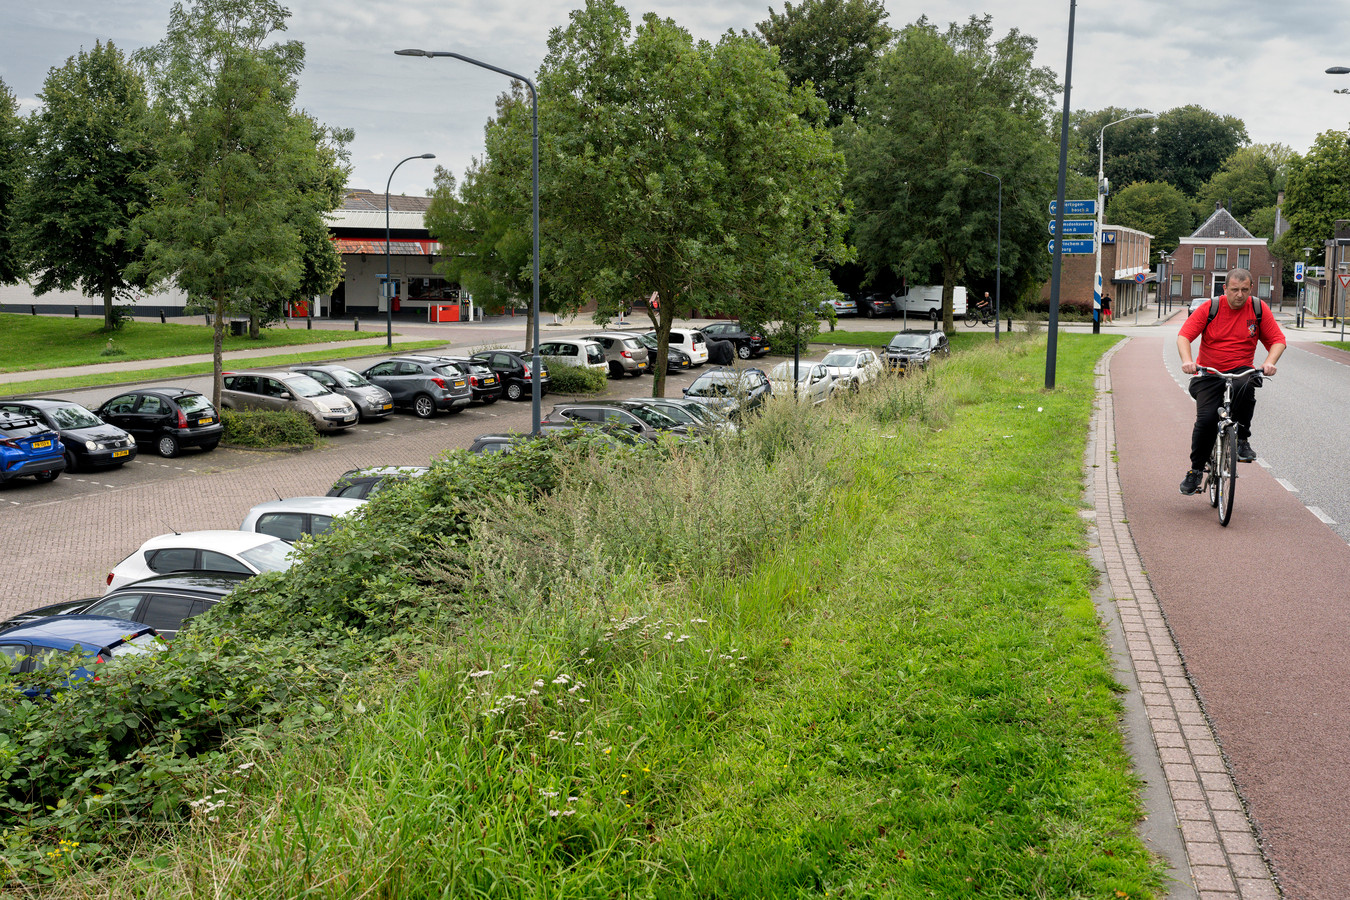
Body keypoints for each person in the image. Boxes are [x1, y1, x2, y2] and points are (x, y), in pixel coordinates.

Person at [1176, 269, 1286, 495]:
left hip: (1241, 369)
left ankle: (1242, 439)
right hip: (1209, 372)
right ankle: (1196, 470)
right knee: (1206, 420)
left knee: (1245, 387)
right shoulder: (1211, 308)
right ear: (1224, 288)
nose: (1239, 295)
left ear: (1251, 288)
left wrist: (1270, 362)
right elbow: (1184, 336)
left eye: (1245, 290)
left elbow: (1277, 340)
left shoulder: (1257, 309)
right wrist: (1188, 361)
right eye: (1234, 289)